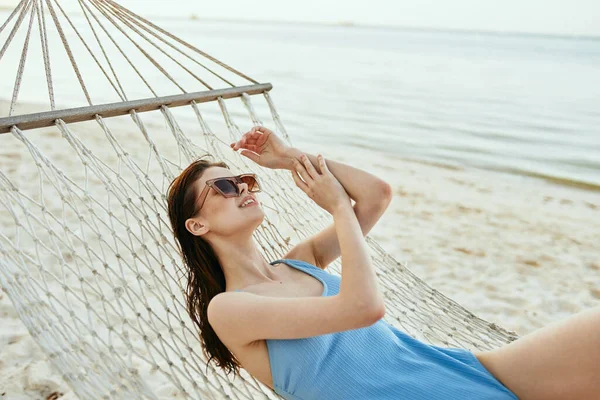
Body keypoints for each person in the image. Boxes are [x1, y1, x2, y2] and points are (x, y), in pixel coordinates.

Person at [166, 125, 599, 400]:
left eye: (244, 179)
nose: (243, 188)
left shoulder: (300, 262)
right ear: (197, 225)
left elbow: (376, 195)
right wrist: (336, 208)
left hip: (454, 368)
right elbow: (362, 308)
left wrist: (290, 159)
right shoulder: (229, 308)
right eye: (223, 186)